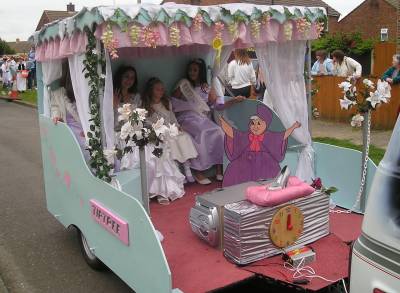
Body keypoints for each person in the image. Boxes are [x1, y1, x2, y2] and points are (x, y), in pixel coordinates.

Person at [113, 67, 185, 205]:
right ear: (120, 78)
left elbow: (141, 117)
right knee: (143, 150)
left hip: (137, 128)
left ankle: (162, 190)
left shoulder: (136, 96)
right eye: (126, 77)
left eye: (132, 78)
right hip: (121, 131)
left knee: (156, 145)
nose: (129, 80)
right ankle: (145, 190)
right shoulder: (112, 96)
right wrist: (114, 106)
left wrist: (146, 128)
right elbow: (112, 121)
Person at [171, 58, 244, 184]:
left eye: (195, 70)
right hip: (186, 118)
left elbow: (217, 104)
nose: (192, 73)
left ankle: (219, 167)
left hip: (202, 118)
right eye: (190, 70)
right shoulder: (183, 85)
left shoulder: (207, 87)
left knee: (218, 132)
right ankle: (197, 171)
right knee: (202, 132)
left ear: (201, 71)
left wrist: (234, 100)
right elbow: (172, 103)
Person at [220, 104, 301, 187]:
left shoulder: (269, 136)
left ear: (266, 124)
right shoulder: (246, 135)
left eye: (258, 123)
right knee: (237, 177)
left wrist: (293, 127)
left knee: (266, 182)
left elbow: (282, 136)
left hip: (266, 164)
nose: (255, 127)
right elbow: (233, 133)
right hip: (244, 163)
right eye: (252, 123)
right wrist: (221, 120)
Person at [141, 77, 198, 182]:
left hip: (170, 128)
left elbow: (172, 117)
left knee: (183, 136)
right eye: (157, 89)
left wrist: (177, 125)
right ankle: (177, 169)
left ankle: (186, 166)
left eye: (162, 89)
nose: (161, 91)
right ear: (151, 91)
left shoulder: (166, 102)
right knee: (169, 140)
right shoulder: (147, 105)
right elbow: (146, 122)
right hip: (158, 131)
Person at [50, 61, 88, 160]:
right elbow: (55, 107)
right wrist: (56, 116)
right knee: (80, 148)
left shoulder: (86, 90)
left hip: (85, 127)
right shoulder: (59, 92)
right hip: (70, 129)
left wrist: (89, 130)